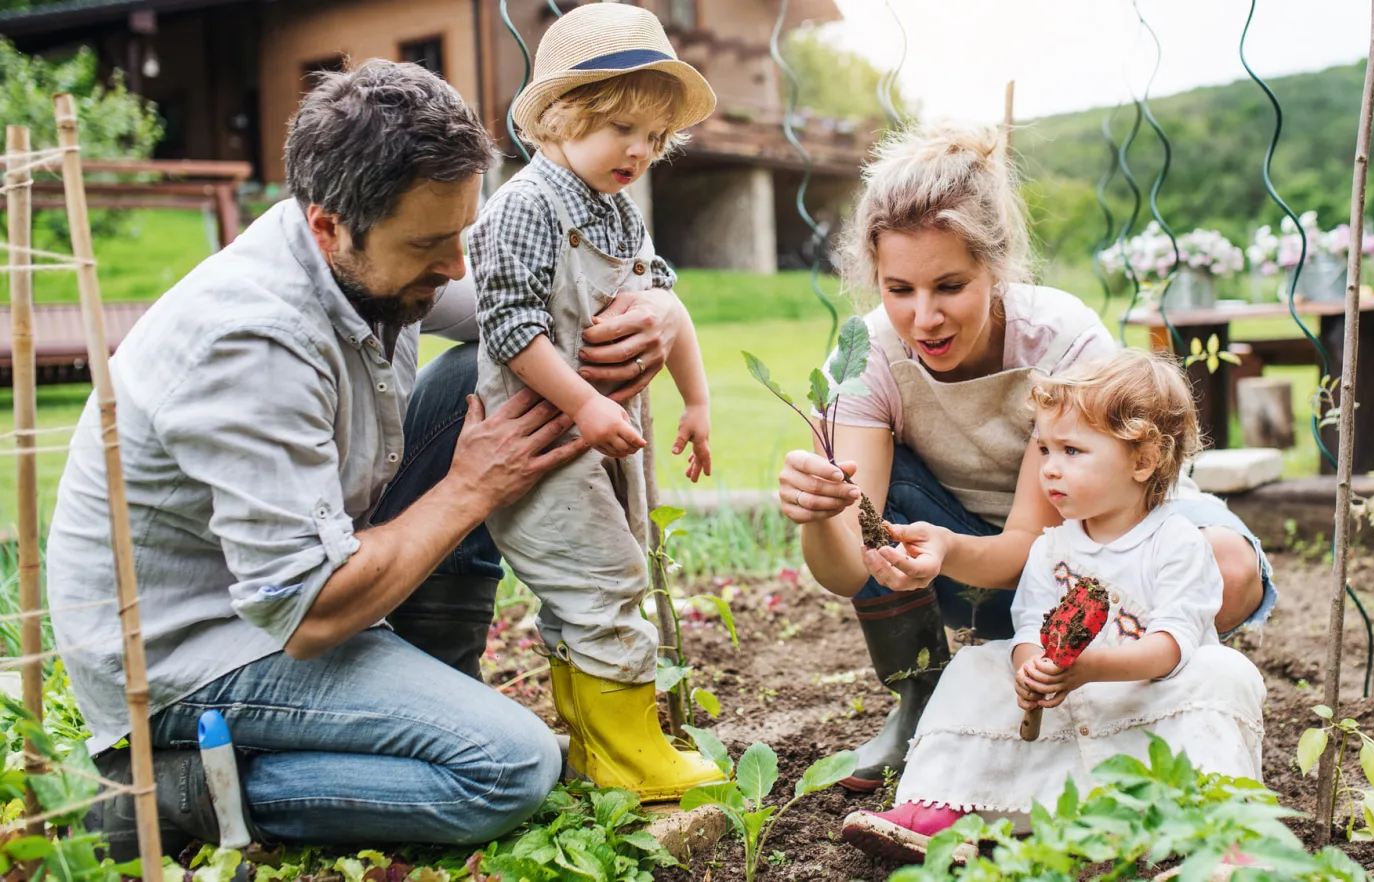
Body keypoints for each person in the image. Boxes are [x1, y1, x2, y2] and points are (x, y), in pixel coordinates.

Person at [50, 61, 690, 858]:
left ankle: (437, 675)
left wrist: (661, 306)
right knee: (510, 767)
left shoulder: (380, 254)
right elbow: (306, 613)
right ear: (327, 226)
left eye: (462, 232)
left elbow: (518, 310)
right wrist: (470, 486)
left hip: (300, 589)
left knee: (487, 372)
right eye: (430, 243)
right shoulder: (249, 345)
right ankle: (176, 794)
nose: (458, 264)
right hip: (199, 651)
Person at [774, 121, 1279, 790]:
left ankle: (1141, 697)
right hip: (963, 556)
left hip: (1092, 539)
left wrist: (952, 554)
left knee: (1229, 568)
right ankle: (922, 700)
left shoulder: (1060, 339)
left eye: (949, 286)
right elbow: (848, 571)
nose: (924, 318)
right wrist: (818, 514)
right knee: (874, 499)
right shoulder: (863, 358)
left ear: (996, 267)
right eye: (899, 290)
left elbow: (1035, 541)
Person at [841, 349, 1267, 863]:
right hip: (1068, 703)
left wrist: (1090, 668)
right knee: (977, 666)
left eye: (1072, 451)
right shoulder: (1051, 547)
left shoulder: (1176, 543)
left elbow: (1172, 647)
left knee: (1224, 672)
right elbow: (1028, 630)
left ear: (1143, 460)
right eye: (1044, 450)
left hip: (1147, 704)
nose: (1050, 470)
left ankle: (1223, 835)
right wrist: (1031, 670)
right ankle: (940, 809)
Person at [467, 2, 722, 801]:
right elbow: (509, 327)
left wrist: (696, 401)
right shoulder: (526, 206)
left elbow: (661, 302)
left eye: (653, 136)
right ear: (558, 118)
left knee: (596, 589)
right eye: (619, 128)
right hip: (544, 441)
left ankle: (595, 753)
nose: (639, 151)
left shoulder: (614, 210)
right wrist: (582, 404)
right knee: (602, 582)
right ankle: (634, 757)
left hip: (603, 437)